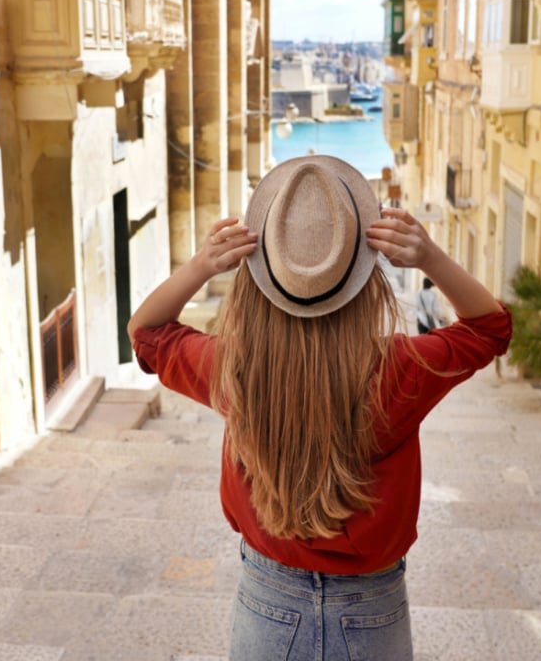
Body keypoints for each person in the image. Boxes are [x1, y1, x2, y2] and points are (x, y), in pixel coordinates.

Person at [128, 156, 511, 661]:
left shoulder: (232, 367)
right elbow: (490, 328)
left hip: (266, 600)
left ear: (261, 274)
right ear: (363, 278)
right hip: (373, 607)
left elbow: (147, 333)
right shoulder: (400, 369)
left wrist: (203, 264)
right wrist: (431, 258)